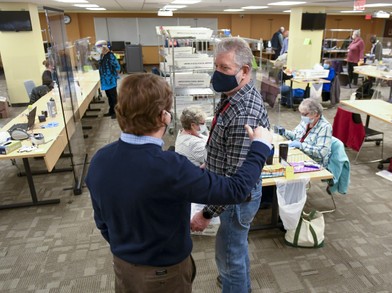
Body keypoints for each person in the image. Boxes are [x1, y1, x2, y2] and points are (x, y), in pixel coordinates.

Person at [85, 73, 273, 293]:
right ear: (163, 116)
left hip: (123, 267)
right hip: (164, 274)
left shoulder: (100, 159)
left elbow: (103, 223)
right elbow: (236, 190)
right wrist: (260, 147)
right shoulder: (171, 167)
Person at [190, 37, 270, 293]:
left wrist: (206, 215)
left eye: (225, 68)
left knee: (229, 257)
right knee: (236, 249)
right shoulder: (234, 94)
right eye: (217, 66)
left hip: (235, 201)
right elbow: (227, 151)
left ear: (244, 71)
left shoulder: (243, 112)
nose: (218, 74)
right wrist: (210, 164)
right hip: (232, 192)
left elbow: (236, 184)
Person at [285, 99, 332, 167]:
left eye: (304, 114)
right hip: (300, 156)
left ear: (315, 113)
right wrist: (284, 132)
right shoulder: (306, 121)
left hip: (314, 163)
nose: (302, 116)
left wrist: (301, 146)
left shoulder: (325, 127)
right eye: (301, 113)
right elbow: (295, 135)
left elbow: (322, 152)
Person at [95, 40, 120, 119]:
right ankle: (111, 111)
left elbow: (117, 67)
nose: (98, 49)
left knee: (114, 97)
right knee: (109, 96)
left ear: (104, 47)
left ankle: (117, 113)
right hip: (105, 80)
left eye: (99, 47)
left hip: (111, 80)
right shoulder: (102, 56)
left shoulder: (110, 55)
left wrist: (113, 75)